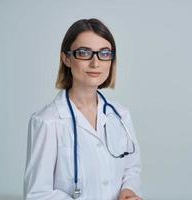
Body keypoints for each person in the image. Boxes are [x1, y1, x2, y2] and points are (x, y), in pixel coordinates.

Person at [23, 18, 142, 200]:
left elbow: (131, 168)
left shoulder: (120, 115)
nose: (95, 63)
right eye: (84, 52)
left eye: (104, 53)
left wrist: (128, 191)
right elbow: (38, 193)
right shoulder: (47, 121)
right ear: (66, 59)